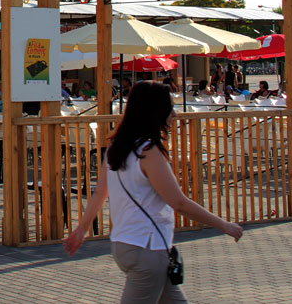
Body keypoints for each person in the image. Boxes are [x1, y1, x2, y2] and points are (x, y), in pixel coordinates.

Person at [64, 81, 242, 301]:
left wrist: (82, 229)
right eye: (169, 107)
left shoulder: (116, 147)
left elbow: (101, 192)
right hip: (147, 247)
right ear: (155, 111)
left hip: (126, 243)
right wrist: (223, 225)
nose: (174, 114)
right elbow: (179, 203)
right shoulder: (148, 152)